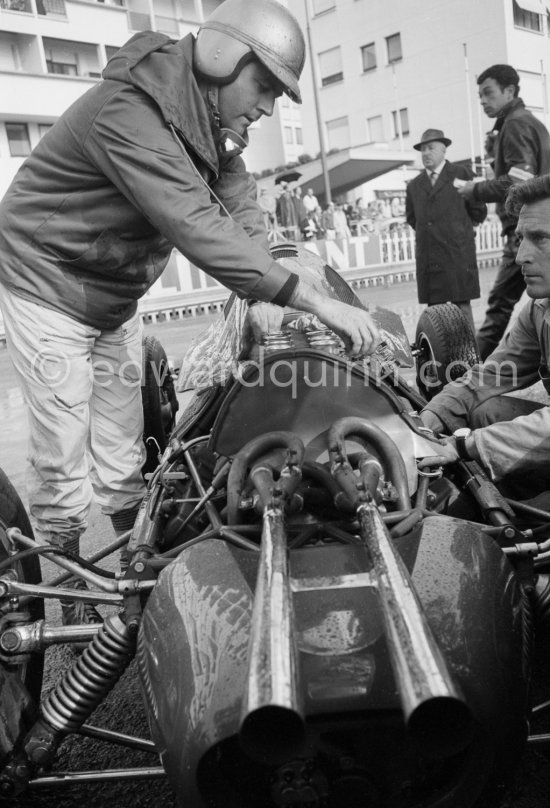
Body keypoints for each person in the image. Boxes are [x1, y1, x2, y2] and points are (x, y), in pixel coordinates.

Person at [0, 0, 379, 628]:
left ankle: (134, 571)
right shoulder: (129, 111)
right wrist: (311, 299)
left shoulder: (210, 128)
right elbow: (198, 227)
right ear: (224, 57)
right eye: (263, 86)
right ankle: (65, 604)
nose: (266, 106)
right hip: (47, 285)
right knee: (65, 465)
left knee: (123, 461)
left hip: (111, 292)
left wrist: (284, 271)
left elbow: (241, 212)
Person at [418, 173, 550, 498]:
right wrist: (426, 421)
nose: (521, 256)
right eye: (521, 238)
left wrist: (466, 446)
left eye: (540, 238)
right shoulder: (539, 309)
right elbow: (488, 377)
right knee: (486, 411)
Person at [456, 64, 550, 359]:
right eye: (480, 95)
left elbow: (518, 181)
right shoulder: (523, 122)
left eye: (488, 93)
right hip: (538, 229)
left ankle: (468, 372)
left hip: (527, 230)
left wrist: (474, 189)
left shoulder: (515, 124)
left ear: (509, 91)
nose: (483, 100)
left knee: (498, 306)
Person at [405, 128, 487, 331]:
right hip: (430, 256)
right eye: (422, 149)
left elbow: (478, 210)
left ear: (443, 150)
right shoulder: (414, 185)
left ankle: (471, 356)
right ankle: (443, 358)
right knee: (436, 313)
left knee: (462, 306)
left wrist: (458, 230)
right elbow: (412, 218)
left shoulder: (462, 174)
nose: (426, 153)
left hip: (458, 252)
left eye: (430, 148)